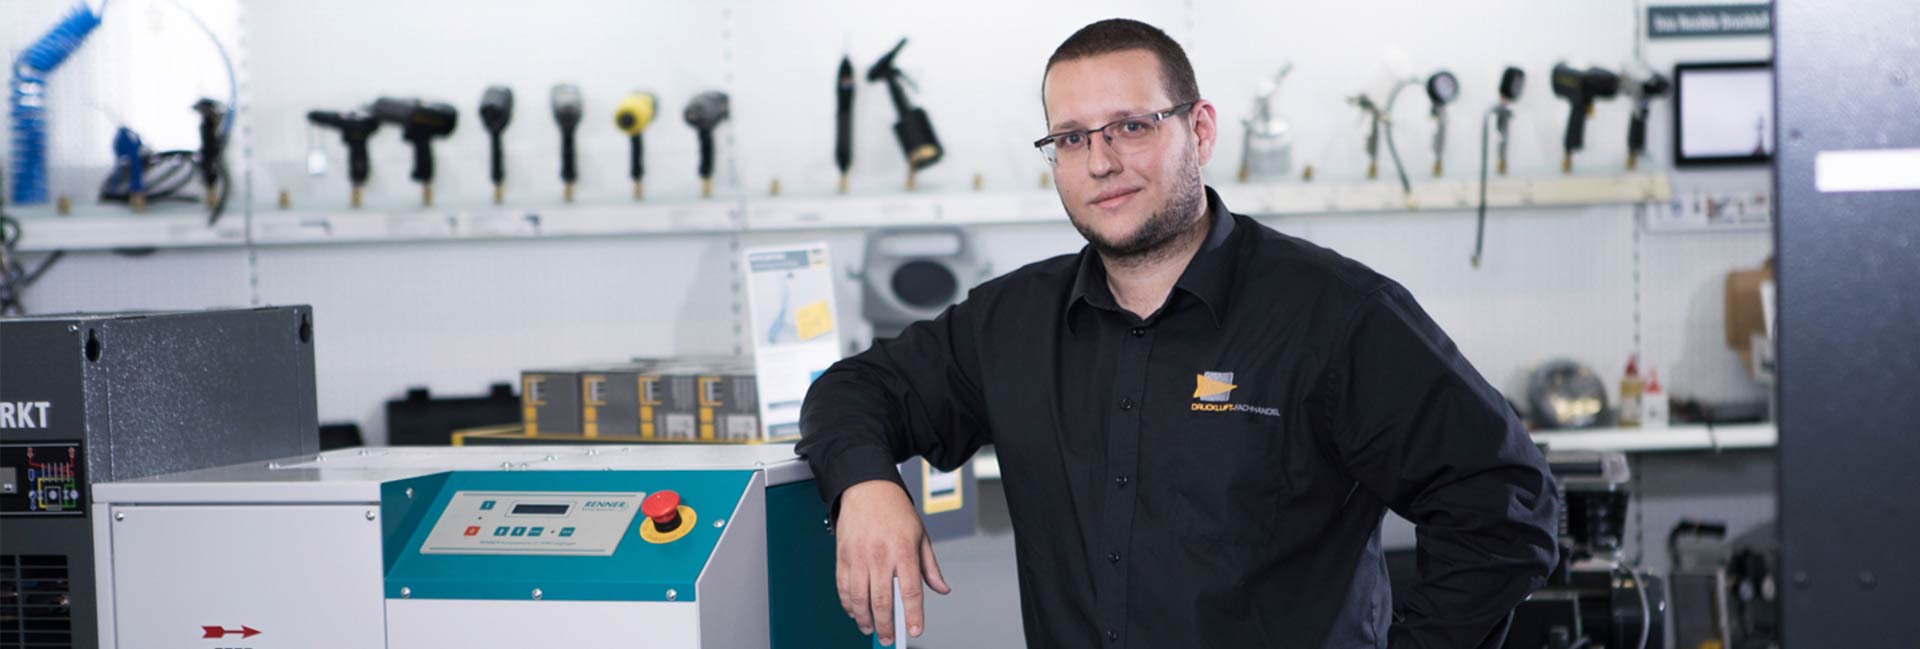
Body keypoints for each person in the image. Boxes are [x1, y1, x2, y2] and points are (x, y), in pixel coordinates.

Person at [797, 18, 1559, 649]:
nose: (1101, 162)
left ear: (1201, 128)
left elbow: (1504, 502)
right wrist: (866, 484)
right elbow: (855, 389)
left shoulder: (1336, 315)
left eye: (1132, 126)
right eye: (1071, 138)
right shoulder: (1011, 324)